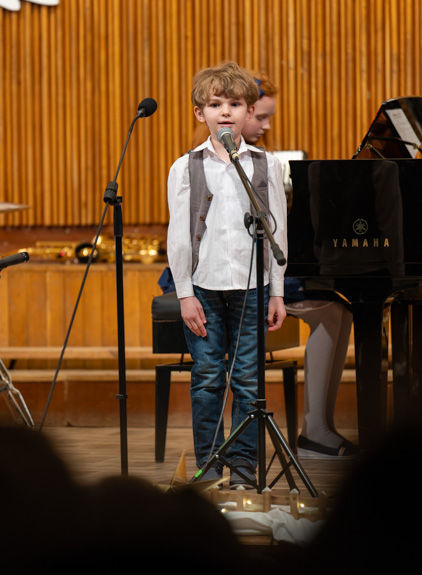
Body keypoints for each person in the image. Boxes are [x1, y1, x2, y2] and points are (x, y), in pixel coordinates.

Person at [167, 61, 288, 488]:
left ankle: (242, 468)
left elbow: (277, 230)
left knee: (249, 380)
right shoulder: (185, 167)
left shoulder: (265, 164)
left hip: (252, 288)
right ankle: (210, 465)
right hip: (204, 287)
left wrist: (276, 291)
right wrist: (185, 293)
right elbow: (179, 235)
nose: (225, 112)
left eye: (235, 104)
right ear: (200, 113)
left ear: (249, 112)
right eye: (215, 104)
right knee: (207, 379)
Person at [240, 70, 358, 459]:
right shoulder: (223, 162)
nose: (267, 125)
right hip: (233, 276)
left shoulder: (265, 161)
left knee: (339, 310)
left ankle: (318, 429)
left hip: (258, 267)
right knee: (329, 312)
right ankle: (315, 431)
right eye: (261, 117)